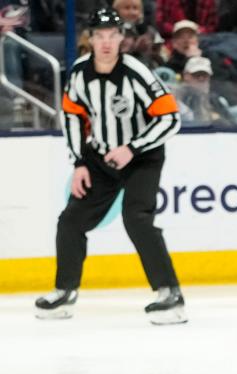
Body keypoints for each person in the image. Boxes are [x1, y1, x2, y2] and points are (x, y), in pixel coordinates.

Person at [36, 8, 186, 324]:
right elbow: (72, 118)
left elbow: (170, 118)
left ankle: (169, 293)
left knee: (137, 217)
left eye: (112, 36)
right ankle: (65, 291)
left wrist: (132, 147)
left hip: (142, 157)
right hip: (100, 159)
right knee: (70, 221)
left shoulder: (137, 72)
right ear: (91, 39)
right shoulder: (79, 73)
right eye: (99, 36)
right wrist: (79, 162)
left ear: (121, 38)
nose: (106, 43)